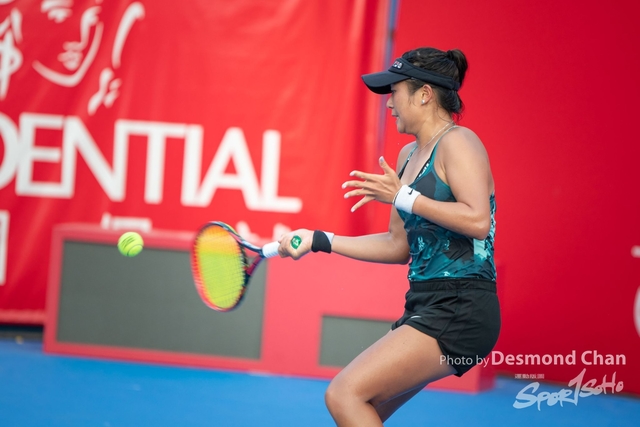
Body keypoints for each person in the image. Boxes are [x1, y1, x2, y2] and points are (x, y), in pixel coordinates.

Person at [278, 46, 501, 426]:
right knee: (362, 413)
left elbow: (478, 219)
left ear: (424, 94)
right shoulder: (407, 156)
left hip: (463, 306)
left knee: (344, 394)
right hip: (425, 302)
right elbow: (398, 246)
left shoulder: (459, 142)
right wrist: (320, 240)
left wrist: (404, 197)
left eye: (395, 91)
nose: (388, 103)